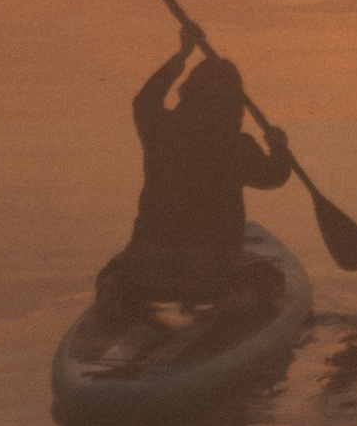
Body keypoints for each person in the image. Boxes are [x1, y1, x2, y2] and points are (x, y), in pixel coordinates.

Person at [94, 21, 293, 323]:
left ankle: (116, 298)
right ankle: (230, 307)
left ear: (188, 91)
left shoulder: (158, 127)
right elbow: (274, 177)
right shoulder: (236, 145)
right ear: (234, 105)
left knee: (114, 271)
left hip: (148, 267)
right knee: (268, 279)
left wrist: (183, 53)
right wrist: (279, 146)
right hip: (207, 274)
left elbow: (144, 100)